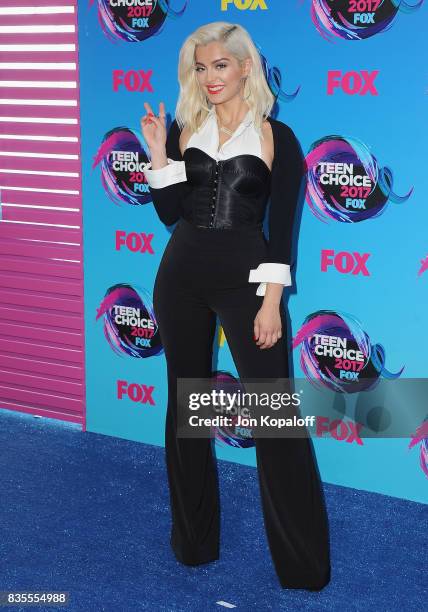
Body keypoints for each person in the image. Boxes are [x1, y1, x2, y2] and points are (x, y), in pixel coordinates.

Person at [140, 21, 331, 590]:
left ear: (246, 67)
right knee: (187, 411)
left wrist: (271, 302)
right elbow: (170, 211)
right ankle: (194, 543)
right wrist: (157, 153)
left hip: (249, 284)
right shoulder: (185, 127)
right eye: (201, 68)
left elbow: (283, 230)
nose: (210, 77)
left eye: (220, 65)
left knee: (274, 419)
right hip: (180, 277)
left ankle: (303, 566)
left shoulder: (278, 137)